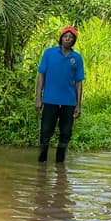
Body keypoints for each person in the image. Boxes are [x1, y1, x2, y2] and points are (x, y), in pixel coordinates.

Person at [35, 25, 85, 164]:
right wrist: (38, 98)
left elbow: (78, 83)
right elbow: (41, 76)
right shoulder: (49, 53)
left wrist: (78, 105)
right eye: (65, 36)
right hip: (50, 100)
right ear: (61, 38)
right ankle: (41, 164)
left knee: (65, 134)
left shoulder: (77, 58)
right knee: (45, 133)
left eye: (71, 37)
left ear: (74, 41)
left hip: (69, 102)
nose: (67, 39)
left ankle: (60, 166)